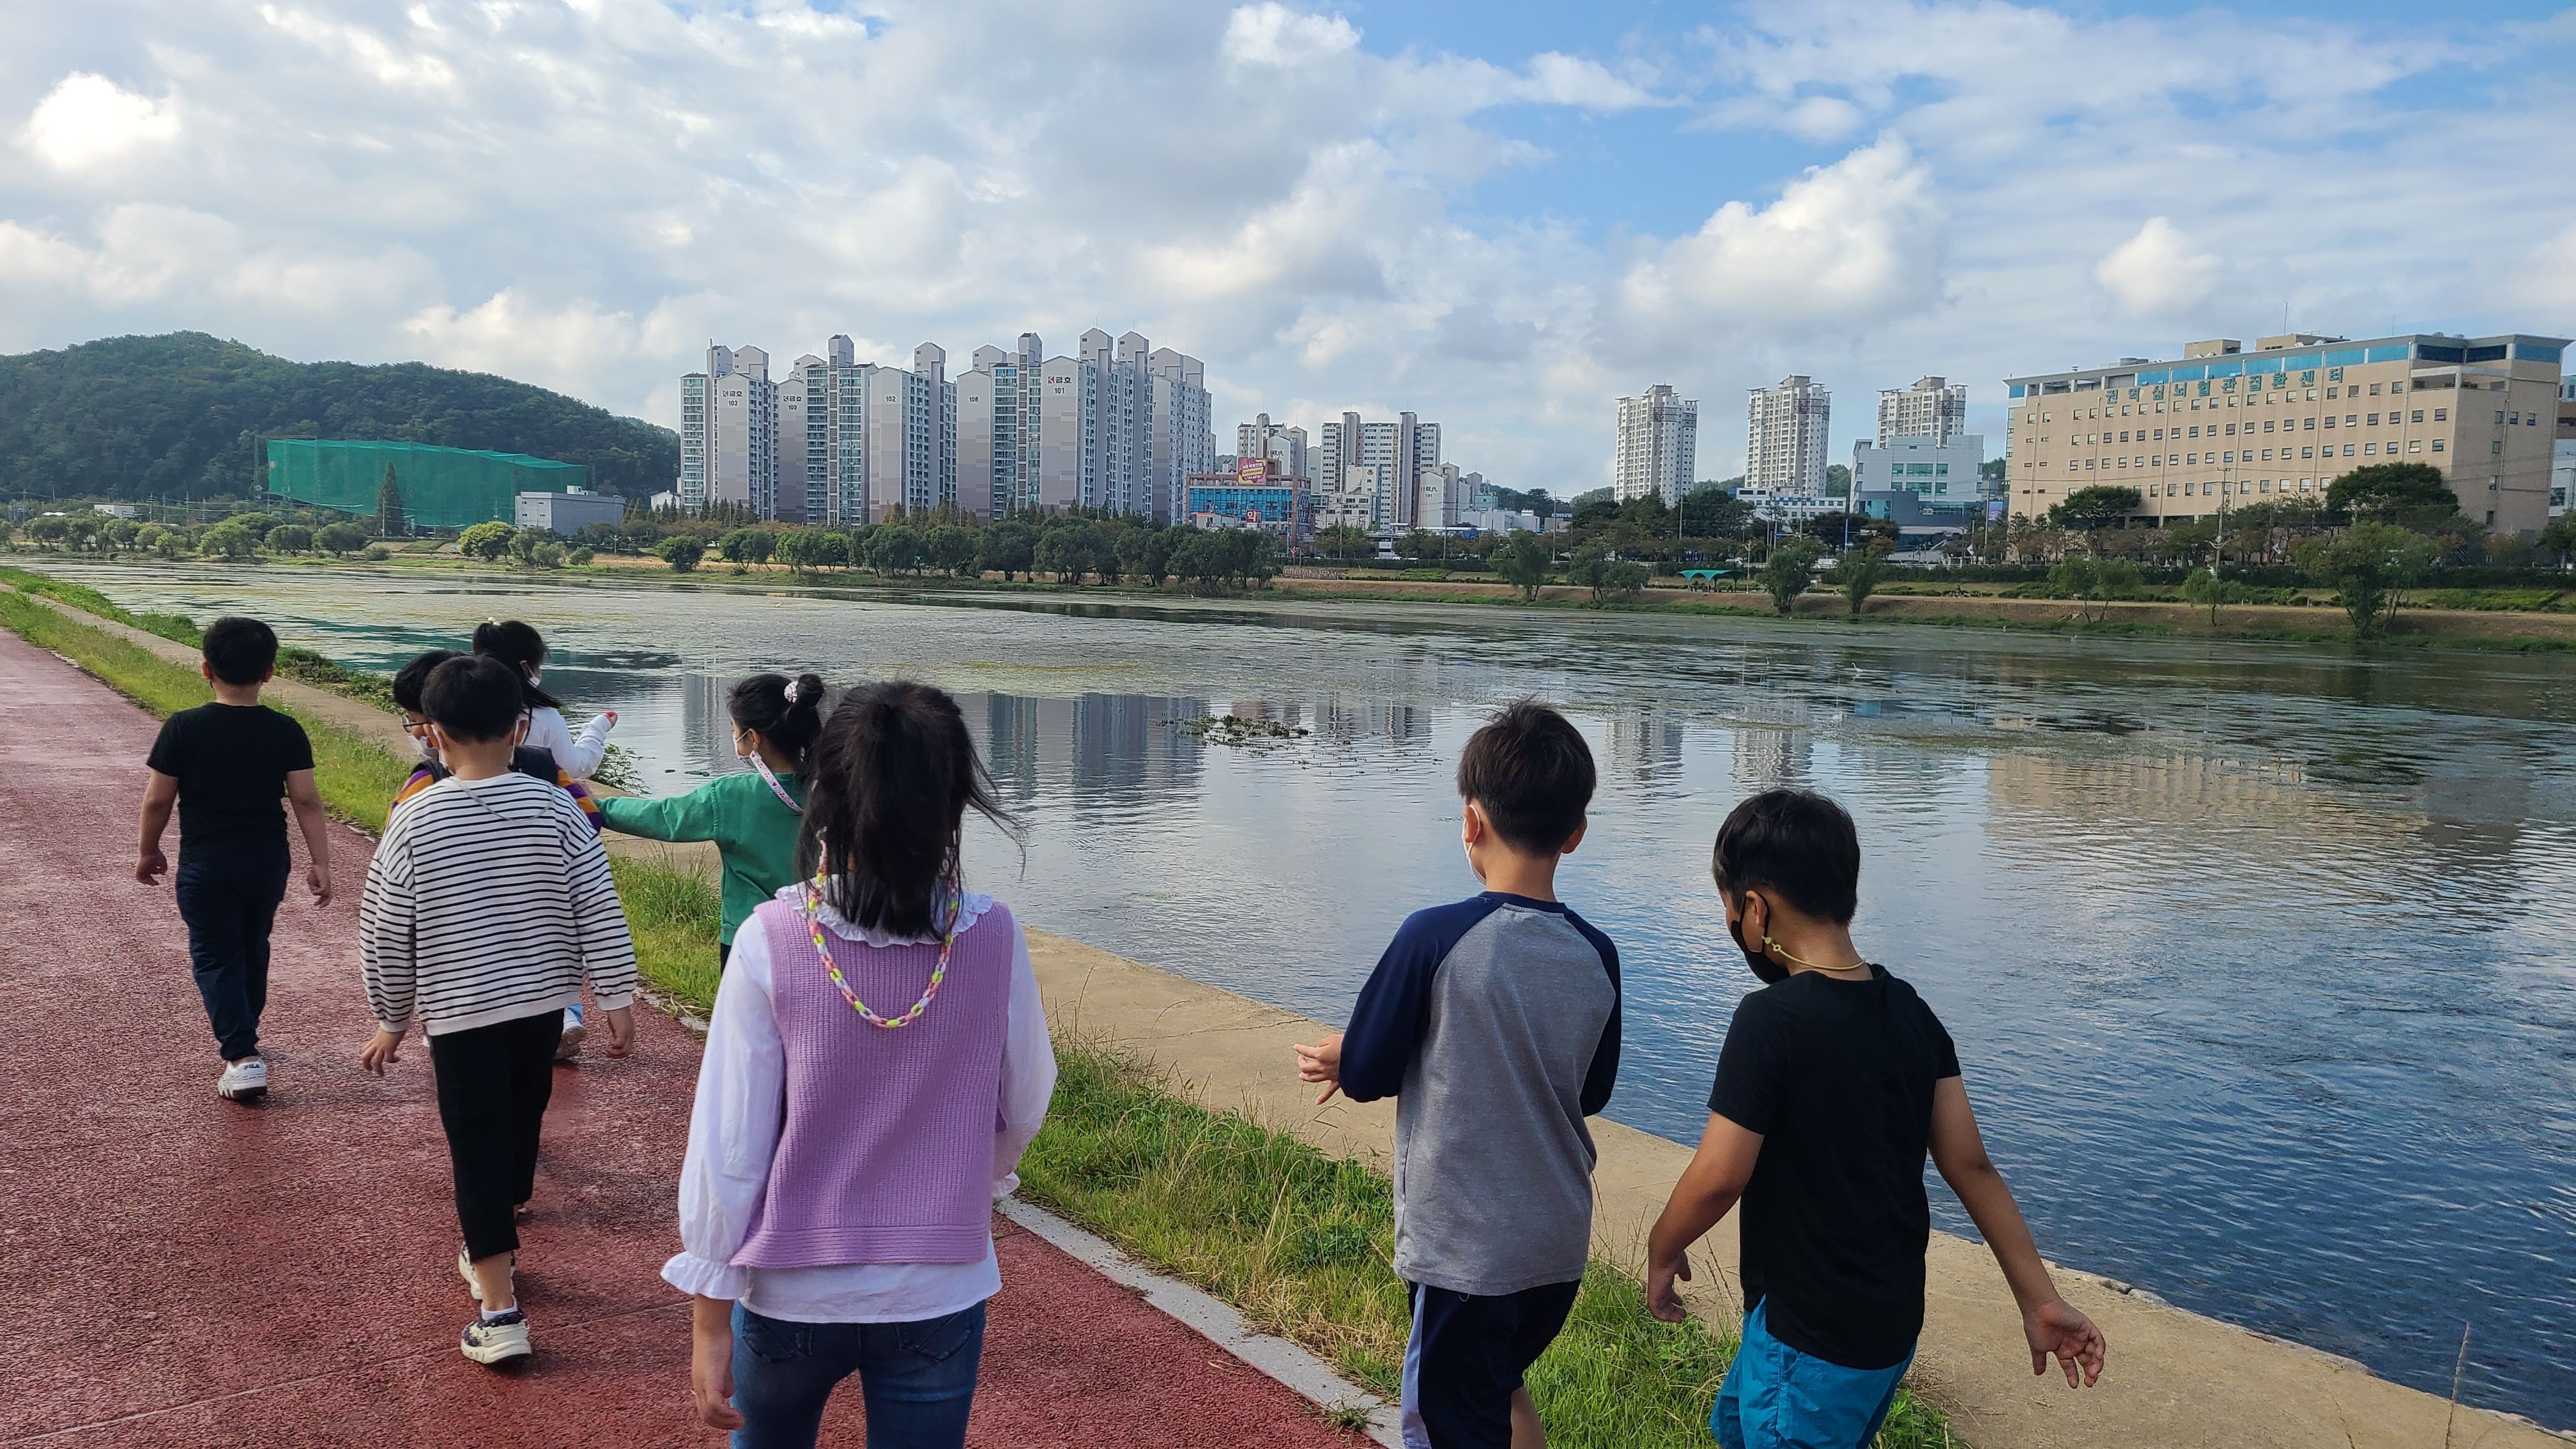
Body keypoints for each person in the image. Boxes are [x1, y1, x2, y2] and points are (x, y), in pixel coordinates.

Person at [1643, 789, 2106, 1449]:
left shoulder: (1769, 1021)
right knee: (1742, 1426)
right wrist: (2038, 1299)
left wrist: (1663, 1246)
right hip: (1885, 1327)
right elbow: (1971, 1165)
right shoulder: (1911, 1012)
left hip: (1808, 1338)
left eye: (1728, 904)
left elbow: (1720, 1175)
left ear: (1755, 907)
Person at [668, 680, 1055, 1449]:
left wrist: (711, 1307)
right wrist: (970, 1179)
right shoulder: (992, 937)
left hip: (790, 1292)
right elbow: (1026, 1101)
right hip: (939, 1287)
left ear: (826, 801)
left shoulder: (771, 938)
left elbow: (729, 1145)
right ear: (953, 806)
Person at [1293, 702, 1619, 1449]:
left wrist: (1354, 1052)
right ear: (1574, 833)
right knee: (1497, 1389)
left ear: (1471, 822)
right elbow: (1591, 1090)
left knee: (1444, 1424)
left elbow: (1371, 1070)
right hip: (1555, 1248)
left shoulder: (1435, 935)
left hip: (1465, 1253)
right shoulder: (1598, 954)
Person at [356, 653, 640, 1367]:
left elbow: (388, 927)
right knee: (523, 1110)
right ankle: (510, 1204)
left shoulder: (414, 819)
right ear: (520, 730)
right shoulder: (556, 807)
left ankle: (499, 1308)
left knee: (474, 1142)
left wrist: (392, 1015)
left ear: (435, 735)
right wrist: (614, 995)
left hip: (460, 1016)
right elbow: (597, 904)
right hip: (543, 1005)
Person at [135, 615, 334, 1103]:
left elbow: (158, 799)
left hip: (206, 862)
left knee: (215, 954)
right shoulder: (285, 729)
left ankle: (242, 1055)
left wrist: (148, 849)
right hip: (267, 861)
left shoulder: (184, 727)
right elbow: (306, 800)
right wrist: (322, 861)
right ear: (270, 672)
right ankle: (246, 1030)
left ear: (206, 669)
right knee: (253, 942)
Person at [392, 648, 607, 1059]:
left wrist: (392, 1018)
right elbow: (589, 820)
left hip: (461, 986)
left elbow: (395, 860)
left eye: (417, 721)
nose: (417, 732)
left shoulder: (424, 786)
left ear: (438, 726)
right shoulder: (544, 770)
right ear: (516, 726)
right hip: (539, 942)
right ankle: (567, 1015)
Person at [598, 673, 825, 971]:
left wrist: (597, 807)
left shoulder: (730, 797)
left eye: (735, 729)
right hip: (820, 938)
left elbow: (662, 817)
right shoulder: (832, 793)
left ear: (753, 739)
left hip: (750, 938)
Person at [471, 618, 616, 779]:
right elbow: (574, 768)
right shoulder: (542, 716)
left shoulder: (460, 704)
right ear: (525, 668)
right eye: (538, 666)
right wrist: (597, 728)